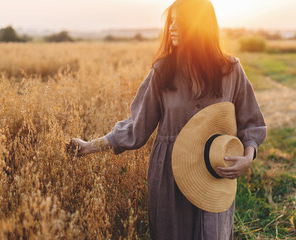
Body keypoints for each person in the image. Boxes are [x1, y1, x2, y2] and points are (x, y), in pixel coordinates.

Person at [70, 0, 267, 239]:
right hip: (170, 175)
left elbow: (252, 123)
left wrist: (248, 157)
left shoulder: (231, 70)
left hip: (216, 173)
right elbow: (136, 127)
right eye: (171, 21)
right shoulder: (163, 71)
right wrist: (90, 146)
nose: (172, 27)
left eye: (180, 21)